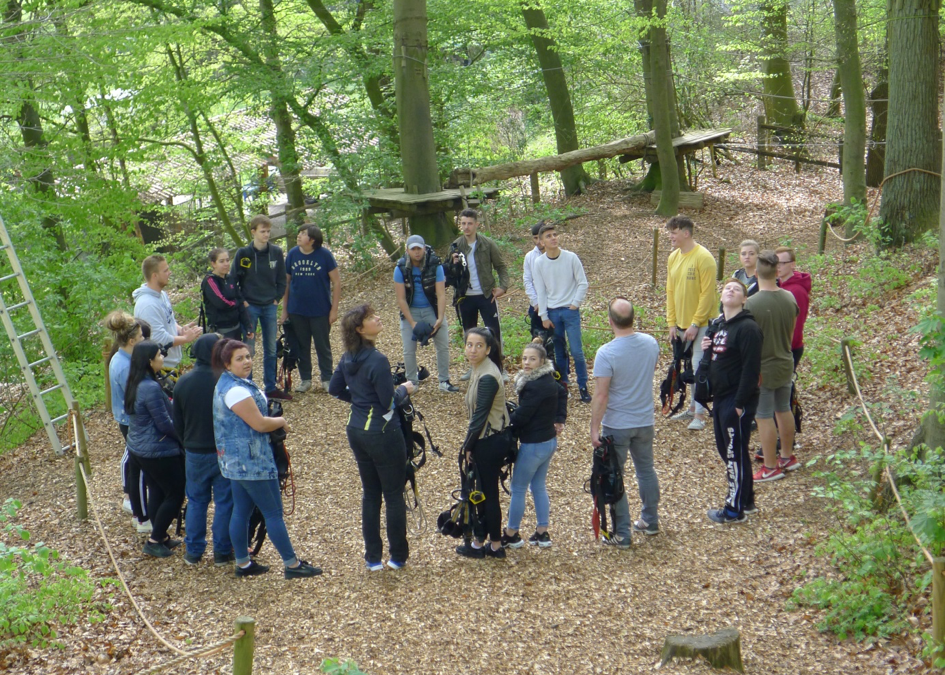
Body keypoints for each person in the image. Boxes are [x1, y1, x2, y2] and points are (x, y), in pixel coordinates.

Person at [212, 338, 321, 579]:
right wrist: (281, 421)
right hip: (251, 461)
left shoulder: (228, 383)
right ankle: (292, 565)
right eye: (239, 359)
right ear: (227, 364)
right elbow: (260, 424)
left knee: (241, 511)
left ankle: (243, 563)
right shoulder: (237, 390)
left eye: (248, 356)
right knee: (273, 513)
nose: (247, 362)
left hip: (234, 461)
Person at [328, 305, 415, 571]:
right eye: (370, 318)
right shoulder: (377, 360)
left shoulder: (347, 356)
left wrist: (360, 401)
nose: (378, 318)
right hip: (382, 433)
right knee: (393, 494)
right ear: (359, 329)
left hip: (356, 431)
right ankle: (398, 557)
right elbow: (388, 402)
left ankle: (373, 559)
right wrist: (404, 389)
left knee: (370, 494)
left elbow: (334, 389)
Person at [589, 298, 661, 548]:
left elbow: (601, 395)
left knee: (614, 476)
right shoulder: (651, 343)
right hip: (644, 420)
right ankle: (650, 520)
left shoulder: (606, 353)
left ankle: (622, 533)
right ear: (633, 318)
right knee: (646, 470)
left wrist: (594, 427)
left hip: (618, 424)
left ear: (609, 321)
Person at [703, 279, 763, 523]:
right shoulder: (718, 325)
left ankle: (733, 509)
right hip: (720, 396)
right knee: (730, 451)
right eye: (727, 287)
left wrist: (739, 404)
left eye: (737, 289)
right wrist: (707, 346)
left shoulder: (748, 328)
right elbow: (715, 360)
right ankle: (746, 500)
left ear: (744, 299)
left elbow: (751, 370)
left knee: (733, 454)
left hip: (737, 400)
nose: (731, 290)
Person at [173, 333, 235, 567]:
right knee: (224, 502)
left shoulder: (183, 382)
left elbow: (177, 422)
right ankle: (221, 551)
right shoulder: (225, 381)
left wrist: (187, 443)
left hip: (194, 451)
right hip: (222, 450)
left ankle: (194, 551)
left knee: (196, 501)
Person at [501, 339, 567, 549]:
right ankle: (542, 532)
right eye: (524, 358)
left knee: (518, 487)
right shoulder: (548, 379)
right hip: (549, 442)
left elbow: (523, 415)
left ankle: (511, 533)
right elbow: (562, 391)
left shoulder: (534, 386)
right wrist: (559, 418)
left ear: (542, 361)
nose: (527, 362)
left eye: (532, 359)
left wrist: (504, 422)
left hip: (534, 445)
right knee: (538, 486)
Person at [124, 340, 185, 558]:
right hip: (157, 451)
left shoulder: (136, 381)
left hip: (139, 448)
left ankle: (161, 536)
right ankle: (155, 539)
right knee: (176, 492)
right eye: (159, 355)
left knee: (158, 490)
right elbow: (164, 424)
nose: (162, 358)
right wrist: (184, 439)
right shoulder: (149, 388)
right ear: (149, 361)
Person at [455, 327, 510, 559]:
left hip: (490, 441)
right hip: (486, 439)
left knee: (487, 493)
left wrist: (467, 446)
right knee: (483, 491)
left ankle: (492, 545)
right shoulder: (479, 369)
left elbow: (479, 416)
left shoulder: (488, 375)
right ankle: (484, 541)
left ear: (488, 349)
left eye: (479, 346)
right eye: (469, 345)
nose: (473, 350)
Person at [746, 251, 799, 483]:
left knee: (764, 416)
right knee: (783, 408)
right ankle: (787, 456)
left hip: (763, 368)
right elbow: (792, 332)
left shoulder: (751, 303)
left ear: (756, 273)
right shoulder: (790, 298)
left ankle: (769, 466)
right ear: (777, 271)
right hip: (785, 361)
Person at [665, 216, 718, 431]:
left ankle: (700, 413)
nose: (671, 236)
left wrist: (696, 323)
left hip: (703, 323)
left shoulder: (704, 258)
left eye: (674, 232)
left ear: (686, 233)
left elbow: (707, 295)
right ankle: (692, 407)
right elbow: (670, 291)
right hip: (681, 324)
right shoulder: (673, 257)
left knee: (698, 366)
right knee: (687, 366)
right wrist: (672, 323)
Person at [447, 209, 509, 381]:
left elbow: (501, 267)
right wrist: (453, 265)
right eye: (463, 223)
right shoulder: (456, 245)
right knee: (469, 333)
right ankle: (473, 368)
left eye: (469, 223)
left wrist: (503, 287)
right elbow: (448, 274)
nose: (466, 227)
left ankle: (499, 368)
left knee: (494, 332)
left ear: (476, 224)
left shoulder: (487, 244)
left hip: (486, 294)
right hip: (465, 297)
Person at [232, 215, 289, 400]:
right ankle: (248, 386)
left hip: (269, 305)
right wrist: (244, 302)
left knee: (271, 348)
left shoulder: (276, 252)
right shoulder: (243, 253)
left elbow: (282, 278)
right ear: (253, 231)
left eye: (268, 231)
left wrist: (277, 298)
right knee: (248, 349)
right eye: (262, 231)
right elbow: (234, 280)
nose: (266, 235)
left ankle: (270, 386)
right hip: (250, 306)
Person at [533, 223, 591, 403]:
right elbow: (540, 290)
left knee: (577, 351)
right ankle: (563, 384)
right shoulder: (539, 262)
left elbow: (582, 282)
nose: (553, 238)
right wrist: (543, 315)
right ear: (541, 241)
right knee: (559, 351)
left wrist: (575, 304)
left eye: (555, 235)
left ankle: (582, 384)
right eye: (549, 236)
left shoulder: (570, 258)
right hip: (552, 312)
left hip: (569, 311)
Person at [280, 224, 340, 394]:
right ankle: (305, 379)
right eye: (299, 232)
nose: (299, 236)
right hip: (297, 310)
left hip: (320, 310)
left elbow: (336, 282)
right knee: (301, 345)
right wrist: (285, 310)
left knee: (323, 345)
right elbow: (287, 282)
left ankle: (327, 379)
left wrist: (334, 310)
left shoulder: (325, 255)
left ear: (312, 239)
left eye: (303, 233)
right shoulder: (292, 254)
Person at [105, 312, 151, 534]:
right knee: (137, 465)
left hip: (127, 417)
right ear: (131, 340)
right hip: (130, 419)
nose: (144, 339)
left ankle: (137, 506)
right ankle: (138, 510)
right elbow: (134, 397)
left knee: (134, 460)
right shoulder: (123, 366)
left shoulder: (124, 358)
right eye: (141, 336)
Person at [394, 234, 457, 393]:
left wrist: (440, 318)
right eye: (413, 249)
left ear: (424, 249)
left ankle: (444, 380)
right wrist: (413, 323)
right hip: (410, 310)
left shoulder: (435, 265)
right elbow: (401, 299)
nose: (416, 252)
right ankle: (411, 382)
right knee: (408, 349)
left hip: (431, 308)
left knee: (442, 344)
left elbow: (441, 294)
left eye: (419, 248)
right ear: (407, 250)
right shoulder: (400, 268)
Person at [133, 255, 201, 369]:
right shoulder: (147, 305)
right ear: (154, 276)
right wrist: (186, 339)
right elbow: (159, 339)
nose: (170, 272)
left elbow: (169, 320)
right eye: (165, 270)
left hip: (173, 364)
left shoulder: (162, 295)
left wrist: (181, 330)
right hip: (161, 367)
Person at [201, 248, 253, 341]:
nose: (226, 264)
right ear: (213, 264)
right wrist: (236, 303)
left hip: (236, 327)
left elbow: (240, 301)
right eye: (221, 261)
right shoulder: (210, 281)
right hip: (220, 330)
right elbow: (221, 303)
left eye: (227, 260)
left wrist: (248, 326)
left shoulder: (230, 278)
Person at [775, 246, 811, 371]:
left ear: (792, 265)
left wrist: (786, 349)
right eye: (775, 262)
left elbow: (797, 324)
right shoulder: (778, 285)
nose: (778, 266)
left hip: (789, 348)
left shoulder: (797, 291)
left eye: (782, 263)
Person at [522, 221, 546, 334]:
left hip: (555, 304)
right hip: (535, 305)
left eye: (539, 238)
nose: (538, 242)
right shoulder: (529, 257)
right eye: (535, 238)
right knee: (537, 338)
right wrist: (536, 302)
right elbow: (527, 280)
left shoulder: (559, 254)